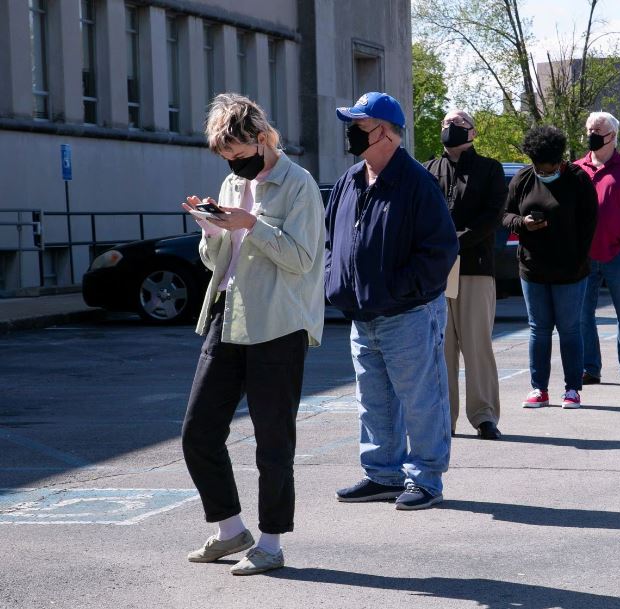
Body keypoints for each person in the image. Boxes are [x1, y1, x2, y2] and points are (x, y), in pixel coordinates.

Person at [180, 93, 325, 576]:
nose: (235, 168)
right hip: (229, 314)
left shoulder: (298, 184)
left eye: (241, 157)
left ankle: (270, 543)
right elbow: (216, 261)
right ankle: (229, 530)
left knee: (273, 441)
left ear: (263, 140)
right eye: (228, 160)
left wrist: (251, 224)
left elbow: (302, 260)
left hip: (278, 325)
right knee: (198, 431)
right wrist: (212, 229)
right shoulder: (229, 181)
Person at [325, 92, 459, 510]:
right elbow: (333, 240)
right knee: (374, 400)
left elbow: (440, 250)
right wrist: (337, 281)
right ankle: (382, 473)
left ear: (383, 132)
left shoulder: (417, 182)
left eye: (358, 125)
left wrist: (400, 288)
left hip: (409, 314)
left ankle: (426, 479)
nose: (350, 133)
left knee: (421, 399)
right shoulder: (350, 180)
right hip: (363, 314)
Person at [424, 109, 506, 440]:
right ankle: (445, 418)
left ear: (472, 132)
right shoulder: (428, 169)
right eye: (445, 123)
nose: (449, 128)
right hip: (437, 273)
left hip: (475, 267)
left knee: (477, 345)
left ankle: (484, 416)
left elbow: (492, 217)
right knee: (441, 349)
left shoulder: (490, 169)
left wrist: (453, 241)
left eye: (456, 124)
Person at [503, 125, 598, 409]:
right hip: (533, 269)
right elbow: (505, 215)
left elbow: (589, 225)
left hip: (570, 271)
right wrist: (523, 224)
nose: (544, 173)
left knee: (569, 329)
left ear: (560, 161)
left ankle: (572, 389)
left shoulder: (579, 180)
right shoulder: (522, 178)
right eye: (539, 169)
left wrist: (578, 260)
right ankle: (538, 389)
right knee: (539, 329)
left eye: (549, 168)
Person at [574, 112, 620, 387]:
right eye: (589, 129)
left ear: (613, 136)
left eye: (598, 130)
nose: (591, 134)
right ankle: (590, 368)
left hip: (618, 254)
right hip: (584, 256)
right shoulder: (576, 169)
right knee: (583, 315)